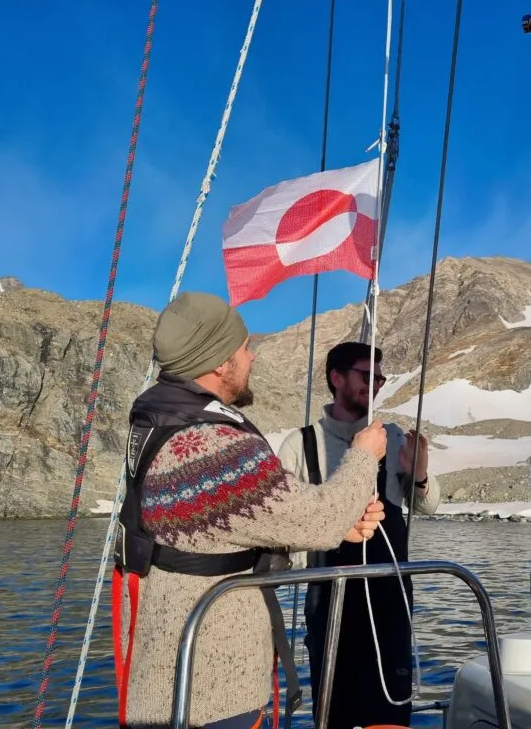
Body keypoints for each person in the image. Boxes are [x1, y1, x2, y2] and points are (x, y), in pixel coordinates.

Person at [111, 293, 388, 729]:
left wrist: (342, 526)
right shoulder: (211, 447)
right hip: (212, 689)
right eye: (243, 347)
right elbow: (319, 519)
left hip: (169, 674)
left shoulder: (164, 422)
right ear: (220, 362)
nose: (251, 355)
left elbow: (221, 523)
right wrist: (363, 456)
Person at [277, 341, 441, 729]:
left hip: (390, 605)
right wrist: (328, 537)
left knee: (390, 717)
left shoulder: (394, 437)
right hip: (329, 606)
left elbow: (428, 507)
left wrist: (417, 475)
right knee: (334, 716)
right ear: (336, 378)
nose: (377, 385)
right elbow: (282, 536)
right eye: (367, 376)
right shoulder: (300, 446)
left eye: (380, 378)